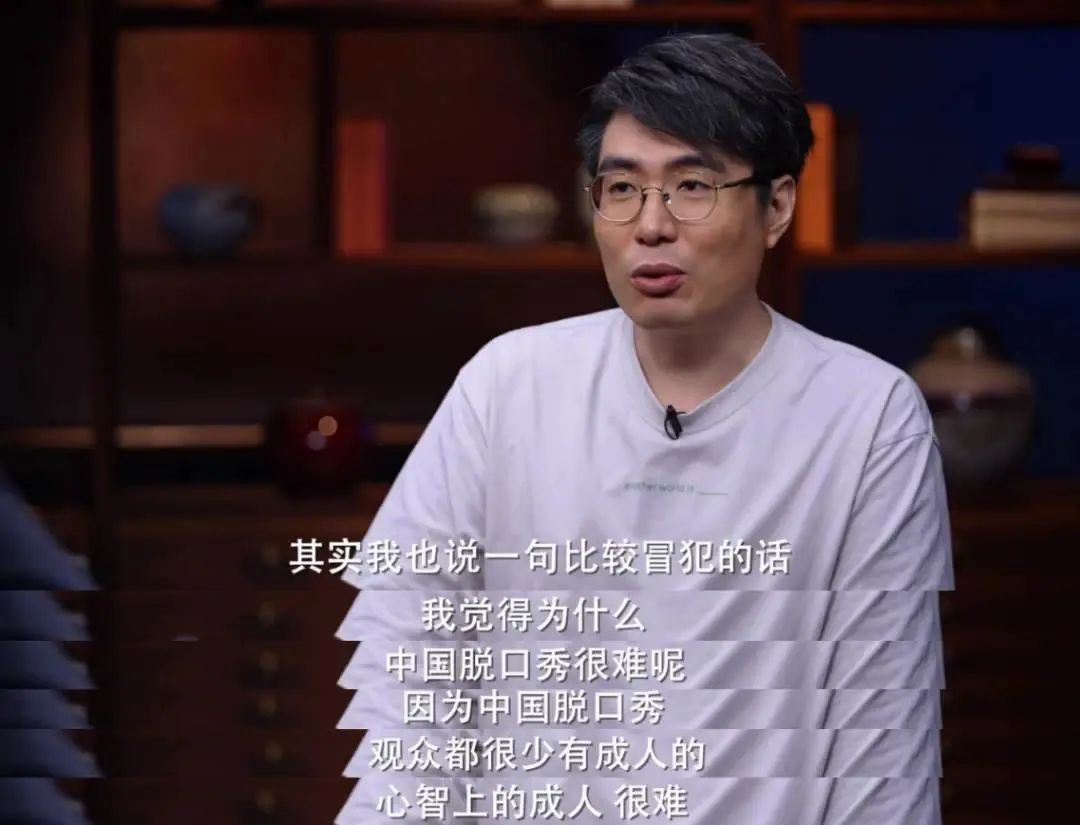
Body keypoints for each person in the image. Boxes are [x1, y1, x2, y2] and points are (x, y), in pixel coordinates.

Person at [335, 33, 953, 825]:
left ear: (777, 206)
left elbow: (883, 737)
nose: (651, 225)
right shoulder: (508, 383)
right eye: (622, 188)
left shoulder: (867, 414)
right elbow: (407, 659)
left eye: (693, 186)